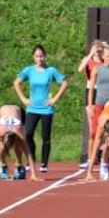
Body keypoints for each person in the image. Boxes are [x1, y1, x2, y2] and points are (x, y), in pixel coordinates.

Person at [13, 44, 69, 172]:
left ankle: (44, 163)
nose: (39, 58)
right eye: (37, 56)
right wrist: (23, 99)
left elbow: (64, 83)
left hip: (46, 109)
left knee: (45, 136)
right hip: (32, 108)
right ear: (34, 57)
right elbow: (17, 82)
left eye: (42, 56)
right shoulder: (29, 70)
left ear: (45, 56)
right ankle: (31, 160)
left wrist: (54, 99)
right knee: (28, 134)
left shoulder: (51, 70)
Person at [77, 40, 109, 169]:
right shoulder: (89, 59)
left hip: (105, 92)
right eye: (96, 47)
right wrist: (91, 54)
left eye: (100, 47)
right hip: (92, 92)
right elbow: (80, 69)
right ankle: (92, 157)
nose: (98, 49)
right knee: (94, 127)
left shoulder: (105, 60)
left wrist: (108, 47)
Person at [0, 105, 39, 180]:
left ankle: (19, 165)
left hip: (19, 111)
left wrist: (34, 174)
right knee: (1, 148)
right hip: (2, 110)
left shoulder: (20, 134)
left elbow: (29, 154)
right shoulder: (1, 132)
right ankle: (3, 166)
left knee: (19, 145)